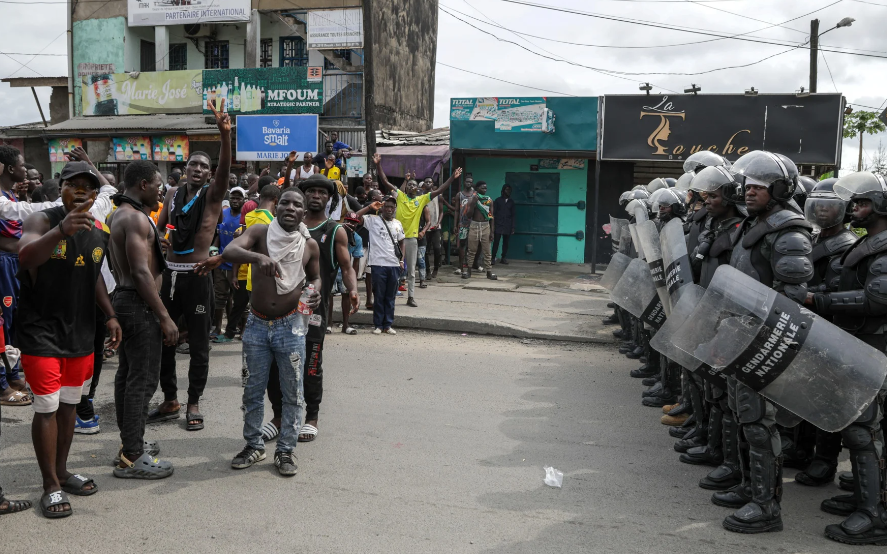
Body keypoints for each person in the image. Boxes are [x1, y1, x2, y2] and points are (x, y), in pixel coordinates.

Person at [17, 161, 122, 517]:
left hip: (79, 333)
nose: (80, 190)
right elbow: (25, 256)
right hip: (41, 332)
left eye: (87, 186)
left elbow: (92, 275)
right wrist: (61, 230)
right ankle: (50, 486)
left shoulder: (99, 229)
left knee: (68, 406)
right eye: (72, 183)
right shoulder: (42, 220)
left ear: (96, 194)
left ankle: (62, 471)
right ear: (59, 187)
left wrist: (109, 315)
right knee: (46, 407)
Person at [717, 151, 814, 534]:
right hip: (739, 334)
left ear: (779, 188)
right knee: (743, 418)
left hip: (761, 342)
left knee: (760, 424)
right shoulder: (754, 225)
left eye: (759, 186)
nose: (749, 191)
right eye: (747, 184)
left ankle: (767, 506)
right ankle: (749, 486)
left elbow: (789, 298)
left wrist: (759, 341)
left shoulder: (788, 231)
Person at [807, 171, 887, 545]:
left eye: (863, 202)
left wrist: (818, 300)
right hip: (860, 344)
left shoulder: (885, 247)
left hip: (876, 347)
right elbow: (844, 285)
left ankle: (875, 516)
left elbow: (876, 300)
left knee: (865, 432)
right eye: (854, 202)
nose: (855, 208)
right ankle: (864, 499)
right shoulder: (867, 243)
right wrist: (811, 292)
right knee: (858, 430)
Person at [223, 188, 322, 476]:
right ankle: (253, 445)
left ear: (303, 213)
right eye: (286, 202)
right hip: (255, 324)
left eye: (297, 204)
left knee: (293, 392)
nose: (291, 207)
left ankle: (286, 451)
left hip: (290, 326)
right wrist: (257, 259)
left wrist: (313, 292)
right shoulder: (260, 233)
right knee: (252, 391)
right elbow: (230, 250)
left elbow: (314, 276)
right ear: (277, 207)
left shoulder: (309, 245)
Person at [150, 100, 231, 431]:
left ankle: (194, 401)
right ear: (185, 168)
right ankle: (170, 398)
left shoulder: (213, 195)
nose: (197, 169)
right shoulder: (171, 194)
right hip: (170, 275)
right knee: (163, 338)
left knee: (198, 343)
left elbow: (225, 170)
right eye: (192, 164)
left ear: (209, 173)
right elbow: (158, 228)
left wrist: (224, 136)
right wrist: (160, 239)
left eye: (203, 166)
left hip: (198, 275)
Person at [107, 160, 178, 479]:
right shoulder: (135, 218)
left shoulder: (121, 214)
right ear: (143, 185)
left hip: (126, 301)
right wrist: (164, 316)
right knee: (143, 379)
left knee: (128, 375)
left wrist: (155, 247)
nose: (161, 190)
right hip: (139, 304)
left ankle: (129, 444)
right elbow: (138, 272)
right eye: (158, 184)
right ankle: (133, 455)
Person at [281, 173, 358, 443]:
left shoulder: (334, 230)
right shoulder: (288, 225)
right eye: (311, 191)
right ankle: (279, 418)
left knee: (312, 364)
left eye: (322, 192)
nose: (316, 196)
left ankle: (311, 417)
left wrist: (354, 289)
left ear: (330, 198)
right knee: (280, 365)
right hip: (283, 307)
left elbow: (347, 267)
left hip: (314, 310)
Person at [793, 178, 857, 488]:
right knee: (806, 389)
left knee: (827, 395)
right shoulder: (816, 238)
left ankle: (824, 459)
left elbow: (834, 288)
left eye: (829, 204)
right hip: (808, 322)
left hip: (828, 324)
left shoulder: (845, 245)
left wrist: (801, 293)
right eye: (817, 203)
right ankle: (802, 448)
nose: (821, 209)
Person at [375, 153, 461, 305]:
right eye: (410, 185)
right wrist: (378, 164)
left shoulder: (422, 200)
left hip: (411, 239)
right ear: (406, 187)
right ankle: (391, 295)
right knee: (393, 268)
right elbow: (385, 181)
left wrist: (452, 178)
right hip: (395, 239)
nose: (412, 186)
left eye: (414, 185)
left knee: (411, 271)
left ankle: (411, 297)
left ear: (418, 188)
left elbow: (440, 190)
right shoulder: (400, 196)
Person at [220, 185, 279, 342]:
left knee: (244, 307)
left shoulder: (249, 216)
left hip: (246, 272)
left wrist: (234, 272)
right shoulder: (273, 222)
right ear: (276, 201)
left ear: (259, 198)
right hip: (263, 276)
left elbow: (240, 246)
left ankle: (235, 334)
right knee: (259, 313)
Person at [357, 198, 404, 334]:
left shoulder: (398, 224)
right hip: (378, 264)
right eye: (387, 206)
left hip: (394, 264)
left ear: (395, 208)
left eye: (392, 207)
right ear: (382, 208)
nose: (389, 209)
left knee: (390, 296)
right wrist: (369, 207)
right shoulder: (372, 220)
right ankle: (378, 325)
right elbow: (354, 216)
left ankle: (388, 325)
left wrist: (401, 260)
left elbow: (402, 242)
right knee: (379, 295)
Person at [211, 186, 245, 343]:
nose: (235, 200)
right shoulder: (222, 214)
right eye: (233, 197)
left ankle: (242, 328)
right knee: (220, 298)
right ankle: (218, 328)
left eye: (239, 198)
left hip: (238, 266)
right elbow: (218, 234)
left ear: (244, 200)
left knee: (240, 300)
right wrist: (214, 250)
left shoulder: (245, 218)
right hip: (221, 263)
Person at [463, 181, 497, 281]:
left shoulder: (489, 200)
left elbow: (491, 217)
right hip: (474, 225)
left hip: (486, 226)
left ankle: (489, 272)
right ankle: (468, 271)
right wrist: (473, 203)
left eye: (486, 188)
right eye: (482, 188)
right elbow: (468, 215)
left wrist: (492, 231)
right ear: (477, 188)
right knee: (471, 250)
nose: (485, 190)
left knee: (487, 251)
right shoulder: (472, 199)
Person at [340, 212, 364, 334]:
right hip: (334, 269)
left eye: (354, 222)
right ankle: (328, 325)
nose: (352, 224)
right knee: (329, 296)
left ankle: (345, 325)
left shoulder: (357, 238)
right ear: (344, 221)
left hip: (346, 270)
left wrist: (353, 281)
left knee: (347, 295)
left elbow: (356, 261)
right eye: (349, 221)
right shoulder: (337, 232)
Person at [421, 179, 444, 279]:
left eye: (430, 182)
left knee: (437, 248)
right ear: (424, 184)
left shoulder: (438, 196)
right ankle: (427, 271)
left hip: (436, 227)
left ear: (433, 184)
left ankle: (436, 269)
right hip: (425, 227)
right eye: (426, 182)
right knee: (425, 250)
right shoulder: (421, 196)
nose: (428, 183)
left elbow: (442, 211)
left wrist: (438, 222)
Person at [492, 184, 516, 265]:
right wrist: (493, 225)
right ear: (503, 191)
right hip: (498, 224)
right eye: (507, 190)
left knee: (506, 242)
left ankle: (503, 258)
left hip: (507, 225)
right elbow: (493, 214)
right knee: (496, 242)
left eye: (509, 190)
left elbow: (513, 215)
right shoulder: (498, 200)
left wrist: (512, 227)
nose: (508, 192)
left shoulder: (511, 202)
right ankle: (493, 258)